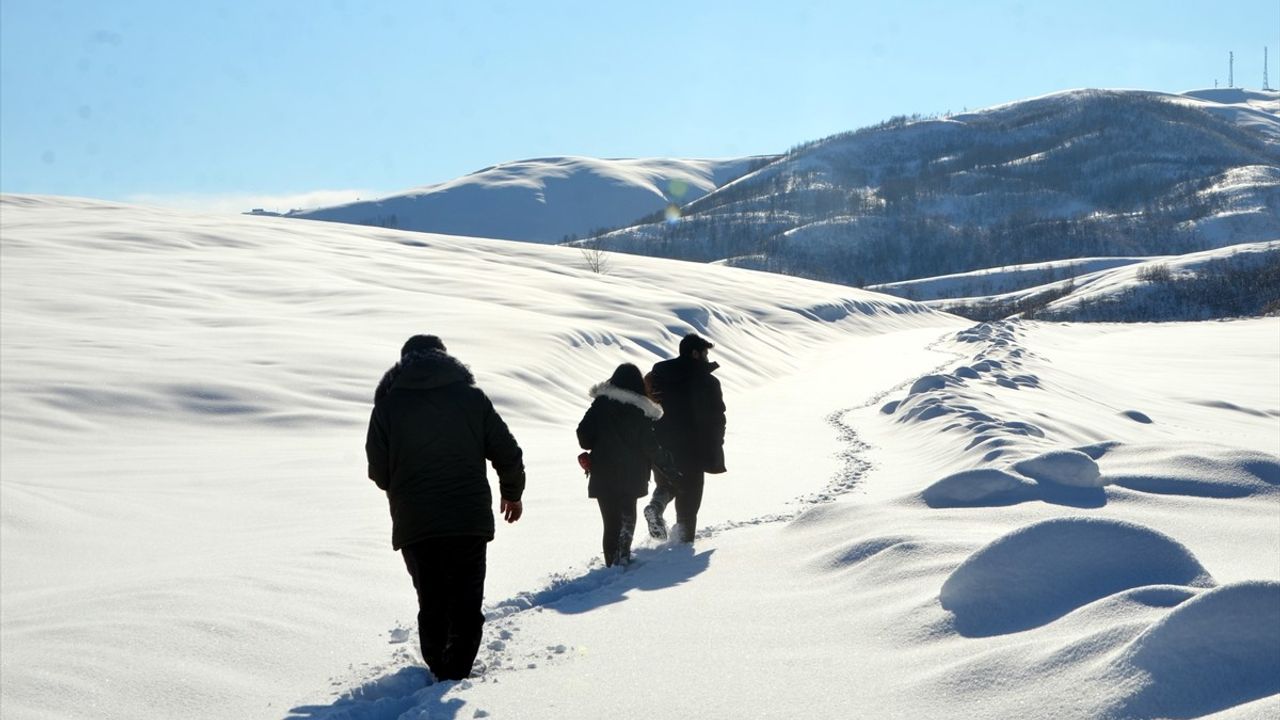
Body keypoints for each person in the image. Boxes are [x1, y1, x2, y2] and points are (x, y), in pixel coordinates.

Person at [365, 334, 525, 682]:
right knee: (467, 599)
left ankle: (440, 667)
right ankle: (457, 669)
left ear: (404, 362)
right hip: (468, 518)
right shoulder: (472, 398)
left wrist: (406, 490)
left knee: (432, 599)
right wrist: (512, 493)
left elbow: (377, 471)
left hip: (416, 522)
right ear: (444, 358)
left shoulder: (388, 406)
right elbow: (508, 453)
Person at [576, 363, 666, 567]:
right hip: (631, 476)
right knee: (627, 520)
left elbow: (583, 438)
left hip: (603, 473)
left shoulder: (600, 404)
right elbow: (649, 446)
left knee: (610, 523)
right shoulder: (640, 410)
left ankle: (612, 565)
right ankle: (622, 561)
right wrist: (669, 469)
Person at [644, 333, 727, 543]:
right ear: (695, 353)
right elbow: (716, 418)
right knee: (689, 497)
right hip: (692, 447)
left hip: (659, 444)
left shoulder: (658, 375)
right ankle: (683, 544)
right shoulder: (707, 382)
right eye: (705, 353)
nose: (707, 357)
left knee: (666, 485)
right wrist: (716, 445)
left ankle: (656, 506)